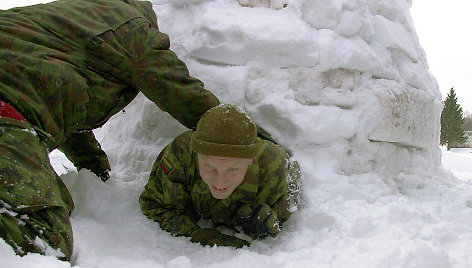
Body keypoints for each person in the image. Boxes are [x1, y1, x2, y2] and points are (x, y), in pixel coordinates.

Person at [0, 0, 220, 260]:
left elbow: (64, 101)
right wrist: (240, 138)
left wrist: (94, 170)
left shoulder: (70, 27)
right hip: (7, 117)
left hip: (12, 115)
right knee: (39, 239)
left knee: (55, 199)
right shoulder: (129, 27)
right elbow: (179, 89)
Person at [139, 104, 301, 248]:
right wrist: (202, 237)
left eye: (233, 170)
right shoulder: (181, 154)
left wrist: (268, 220)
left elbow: (291, 204)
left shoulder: (274, 165)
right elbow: (155, 205)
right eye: (209, 167)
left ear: (251, 159)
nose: (220, 182)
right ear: (196, 155)